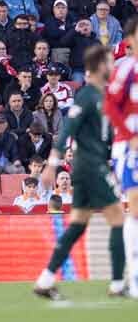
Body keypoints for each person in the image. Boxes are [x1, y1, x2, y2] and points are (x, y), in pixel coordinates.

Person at [33, 44, 129, 299]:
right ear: (100, 66)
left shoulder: (101, 95)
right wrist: (52, 164)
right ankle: (119, 284)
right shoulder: (87, 95)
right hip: (90, 166)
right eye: (110, 62)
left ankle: (45, 279)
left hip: (88, 166)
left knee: (77, 224)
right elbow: (67, 130)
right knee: (118, 218)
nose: (113, 67)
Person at [103, 17, 138, 296]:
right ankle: (134, 277)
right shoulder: (125, 69)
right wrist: (130, 136)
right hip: (129, 148)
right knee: (135, 209)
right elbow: (111, 106)